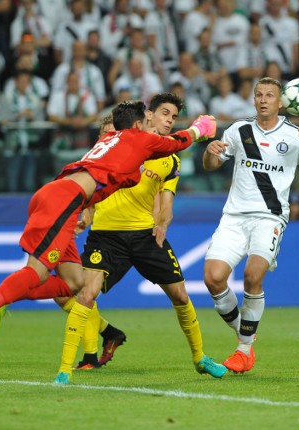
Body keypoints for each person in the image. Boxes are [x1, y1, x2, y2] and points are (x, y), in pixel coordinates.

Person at [0, 101, 217, 359]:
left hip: (60, 198)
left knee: (74, 282)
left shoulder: (109, 142)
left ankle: (4, 296)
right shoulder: (136, 139)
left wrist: (81, 217)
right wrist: (200, 128)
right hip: (64, 200)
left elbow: (111, 180)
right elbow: (177, 143)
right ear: (139, 124)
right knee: (36, 273)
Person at [54, 93, 227, 383]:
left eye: (174, 116)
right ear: (149, 116)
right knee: (86, 294)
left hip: (145, 236)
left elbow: (166, 201)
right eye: (165, 114)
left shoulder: (169, 160)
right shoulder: (120, 140)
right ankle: (63, 370)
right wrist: (85, 214)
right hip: (106, 236)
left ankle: (200, 358)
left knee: (181, 295)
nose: (170, 120)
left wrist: (162, 223)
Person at [202, 77, 299, 373]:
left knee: (252, 276)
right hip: (234, 217)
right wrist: (209, 153)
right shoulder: (239, 130)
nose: (263, 100)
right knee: (213, 279)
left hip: (269, 218)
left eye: (270, 95)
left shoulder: (294, 136)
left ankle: (243, 350)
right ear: (254, 100)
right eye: (259, 95)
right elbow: (211, 165)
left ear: (281, 102)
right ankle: (245, 333)